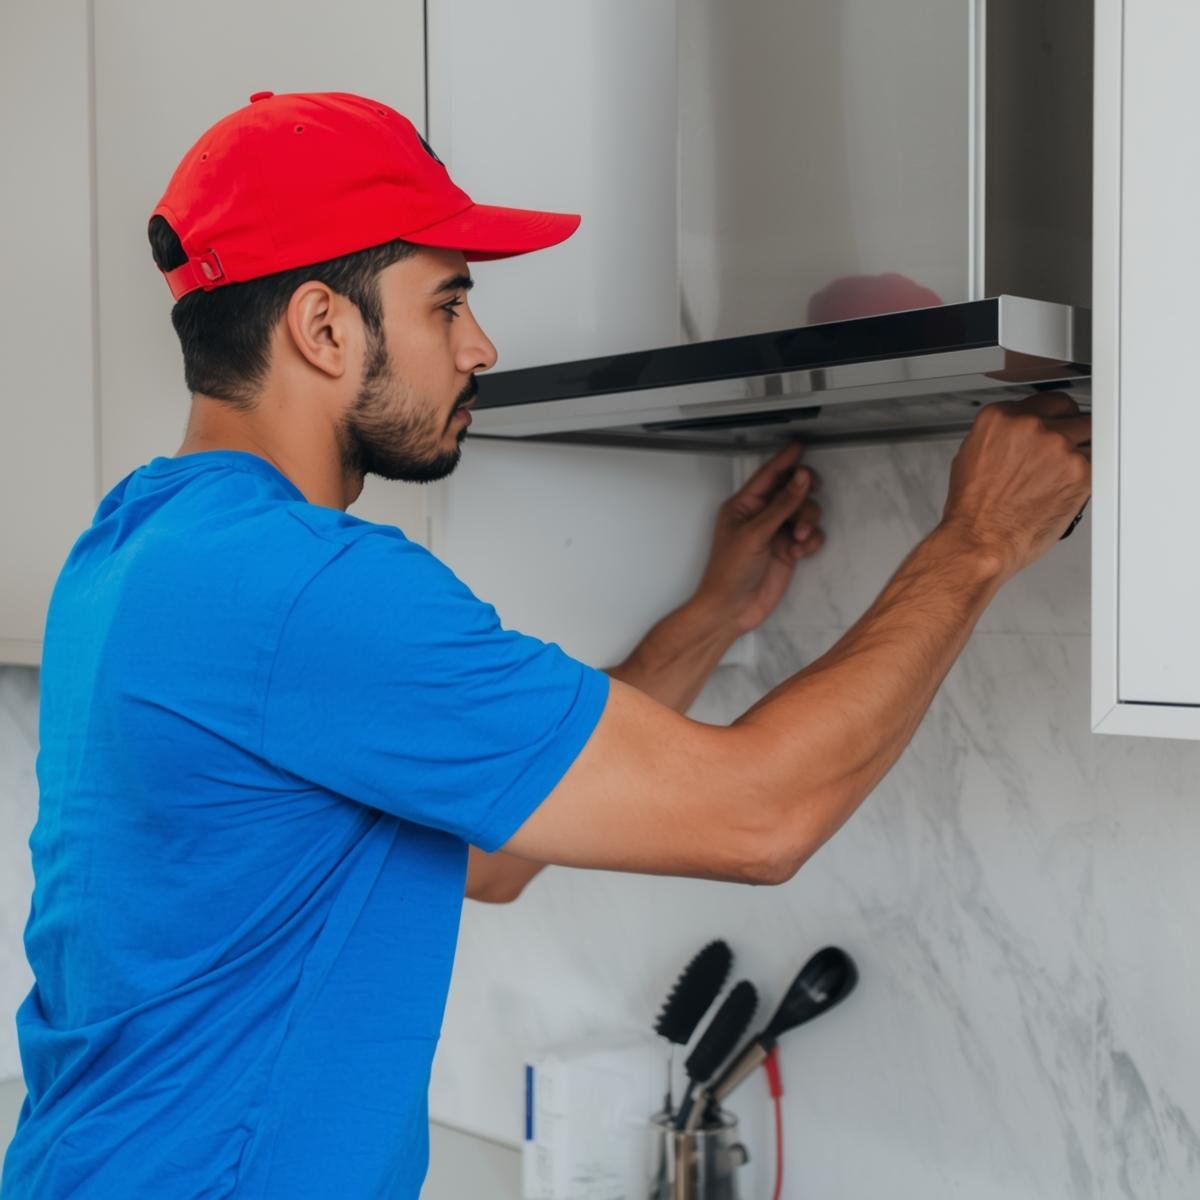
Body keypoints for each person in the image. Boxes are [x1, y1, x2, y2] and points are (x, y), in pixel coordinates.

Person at [0, 90, 1091, 1199]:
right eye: (447, 303)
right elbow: (761, 817)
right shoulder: (310, 588)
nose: (481, 346)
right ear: (324, 328)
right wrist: (977, 542)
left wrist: (710, 615)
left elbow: (486, 856)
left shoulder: (139, 544)